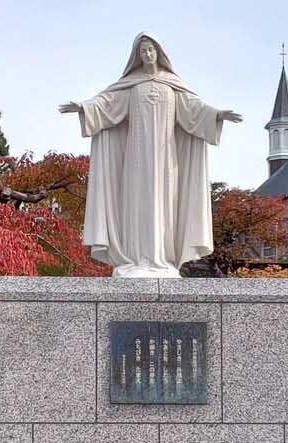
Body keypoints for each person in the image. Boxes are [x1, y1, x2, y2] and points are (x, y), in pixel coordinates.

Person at [60, 33, 242, 276]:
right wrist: (83, 107)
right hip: (135, 161)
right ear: (137, 55)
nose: (147, 54)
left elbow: (194, 110)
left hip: (166, 160)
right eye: (143, 51)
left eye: (150, 50)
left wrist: (217, 114)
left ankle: (163, 259)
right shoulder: (131, 85)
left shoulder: (172, 86)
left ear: (159, 53)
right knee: (136, 205)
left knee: (165, 207)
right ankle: (135, 259)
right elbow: (107, 104)